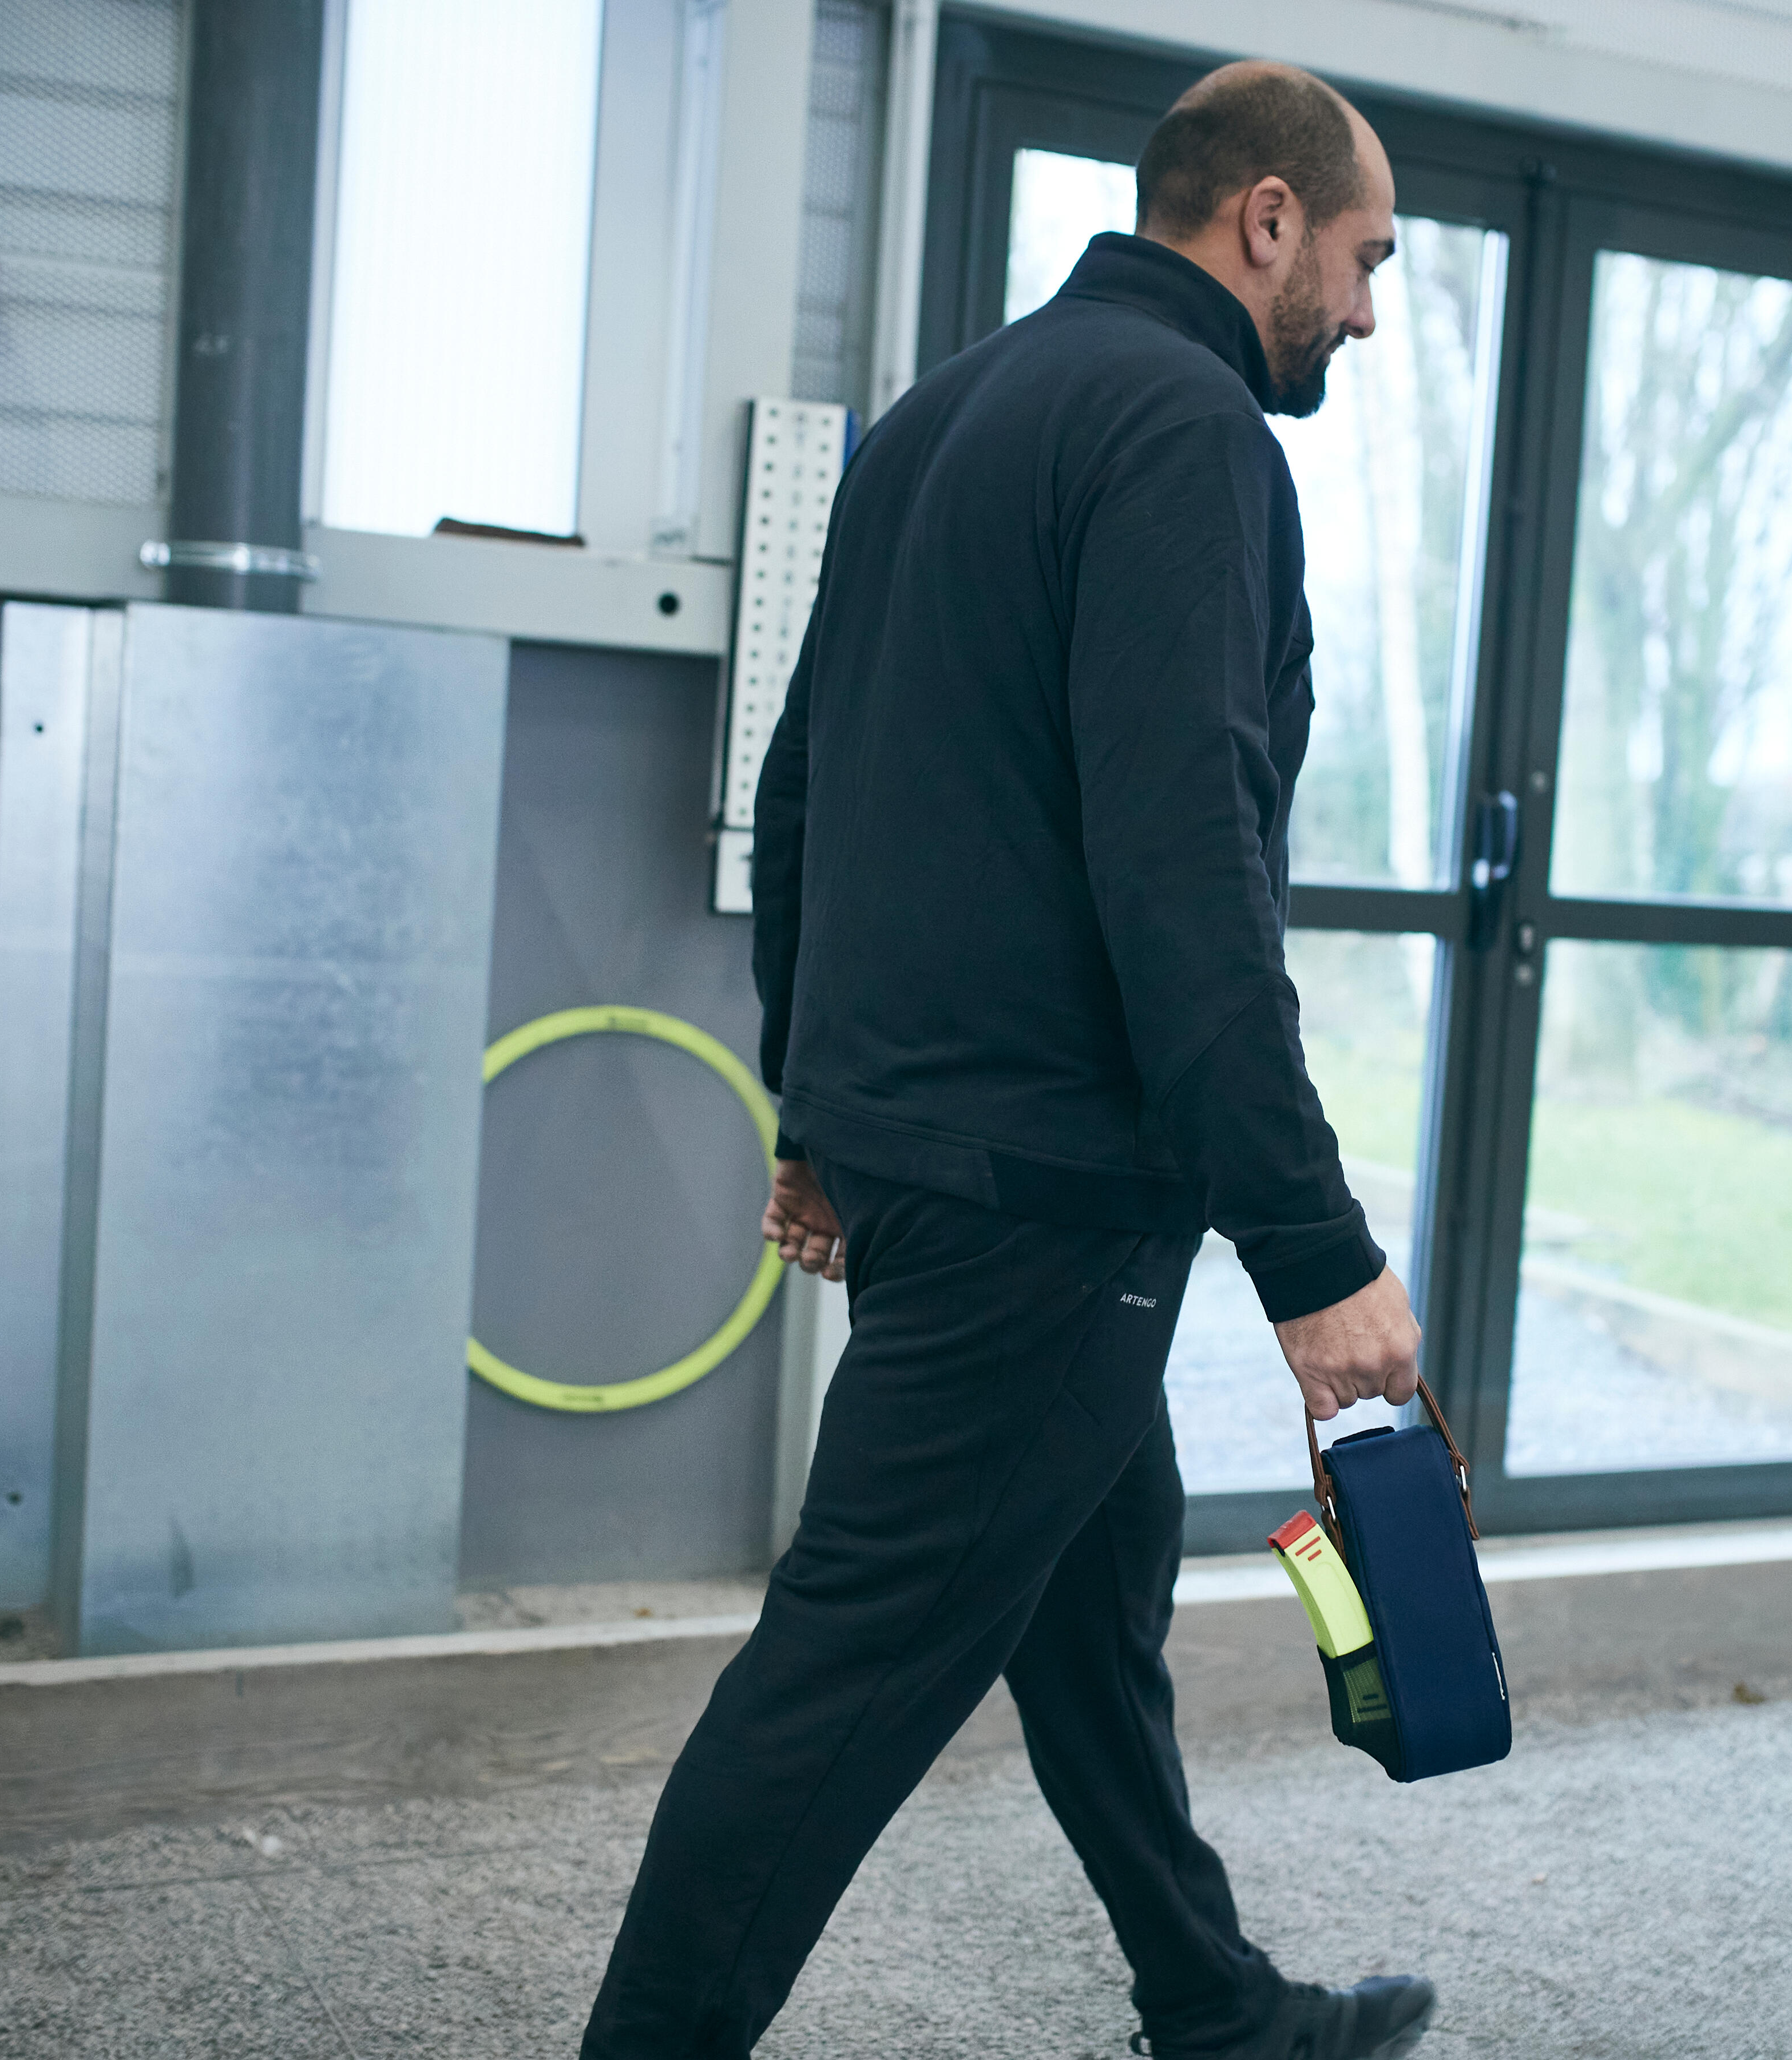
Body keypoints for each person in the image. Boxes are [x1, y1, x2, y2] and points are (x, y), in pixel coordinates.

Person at [578, 59, 1433, 2060]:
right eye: (1369, 260)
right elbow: (1183, 869)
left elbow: (805, 800)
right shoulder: (1191, 430)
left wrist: (822, 1112)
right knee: (844, 1672)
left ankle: (1214, 2006)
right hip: (1050, 1196)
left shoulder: (946, 414)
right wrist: (1309, 1250)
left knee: (1086, 1602)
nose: (1369, 316)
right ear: (1266, 220)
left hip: (936, 1159)